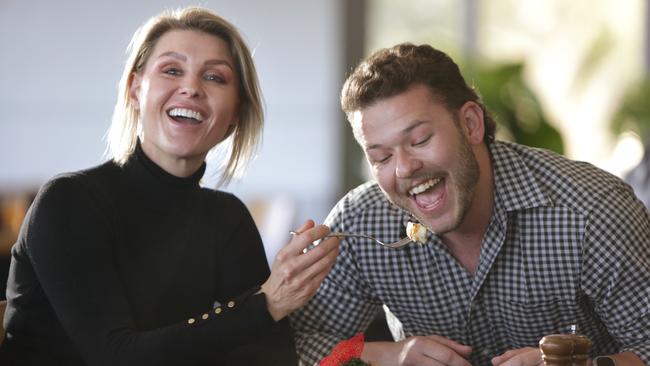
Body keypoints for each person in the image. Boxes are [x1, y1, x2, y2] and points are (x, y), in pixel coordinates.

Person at [0, 7, 340, 366]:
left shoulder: (227, 218)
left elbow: (268, 357)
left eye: (215, 77)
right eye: (172, 70)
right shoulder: (69, 201)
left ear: (235, 113)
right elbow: (116, 357)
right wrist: (266, 304)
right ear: (135, 89)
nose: (191, 88)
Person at [290, 43, 650, 366]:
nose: (403, 168)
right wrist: (388, 355)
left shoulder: (589, 210)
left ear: (471, 123)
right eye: (381, 158)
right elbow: (296, 345)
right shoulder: (362, 224)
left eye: (419, 140)